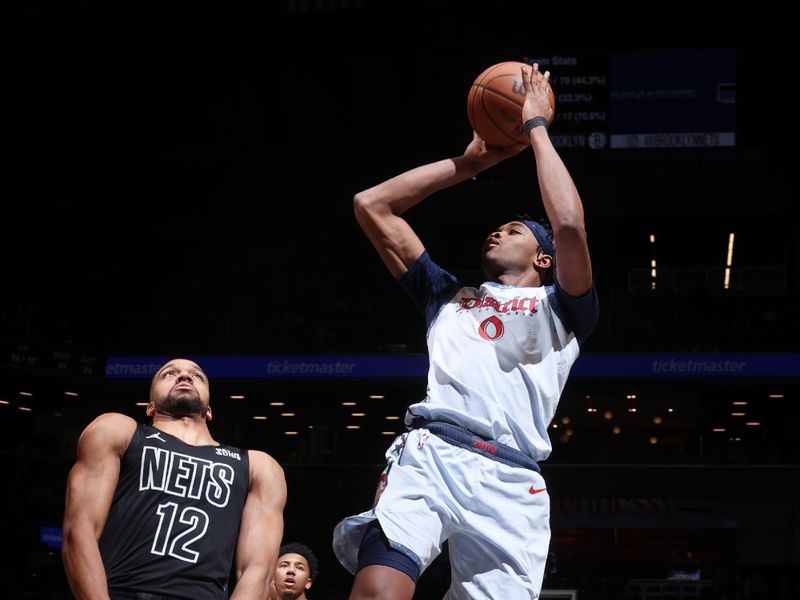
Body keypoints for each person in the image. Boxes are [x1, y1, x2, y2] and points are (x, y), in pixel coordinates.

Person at [333, 63, 599, 599]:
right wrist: (471, 162)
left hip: (513, 478)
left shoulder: (566, 306)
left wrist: (536, 128)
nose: (498, 229)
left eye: (516, 229)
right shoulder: (447, 295)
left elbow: (569, 224)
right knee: (378, 592)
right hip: (433, 453)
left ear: (544, 258)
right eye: (497, 226)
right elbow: (372, 205)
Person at [62, 357, 287, 600]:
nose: (184, 376)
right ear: (150, 406)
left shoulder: (258, 467)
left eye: (197, 375)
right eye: (169, 373)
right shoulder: (118, 431)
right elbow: (79, 530)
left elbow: (257, 570)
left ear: (209, 410)